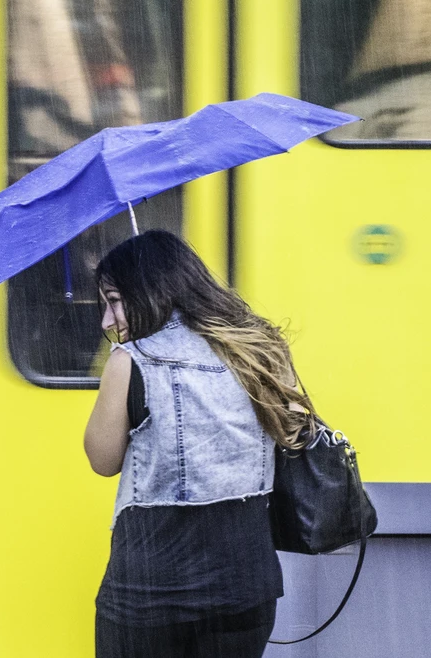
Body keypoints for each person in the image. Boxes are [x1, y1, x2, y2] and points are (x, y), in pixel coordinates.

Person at [84, 230, 317, 658]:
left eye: (114, 301)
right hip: (244, 589)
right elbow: (288, 437)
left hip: (151, 592)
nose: (107, 321)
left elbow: (102, 460)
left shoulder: (129, 362)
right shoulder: (258, 351)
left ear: (150, 290)